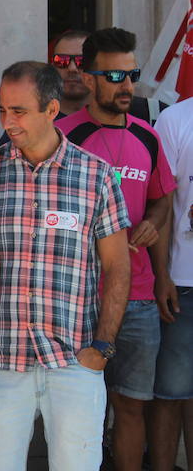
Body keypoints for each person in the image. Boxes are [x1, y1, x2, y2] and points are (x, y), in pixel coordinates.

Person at [0, 61, 132, 471]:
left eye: (18, 111)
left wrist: (102, 347)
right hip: (0, 362)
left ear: (52, 110)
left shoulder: (97, 176)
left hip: (74, 359)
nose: (7, 121)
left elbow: (118, 267)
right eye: (1, 109)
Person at [54, 27, 176, 470]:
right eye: (114, 76)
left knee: (131, 408)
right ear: (88, 79)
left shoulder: (148, 135)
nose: (127, 86)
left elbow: (163, 197)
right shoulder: (60, 137)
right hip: (77, 299)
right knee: (74, 413)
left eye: (132, 74)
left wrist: (152, 224)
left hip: (139, 298)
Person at [0, 29, 169, 148]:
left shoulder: (150, 113)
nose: (71, 69)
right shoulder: (31, 123)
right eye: (61, 61)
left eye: (80, 62)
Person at [147, 96, 193, 471]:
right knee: (170, 394)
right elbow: (162, 201)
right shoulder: (175, 119)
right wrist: (162, 275)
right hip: (182, 283)